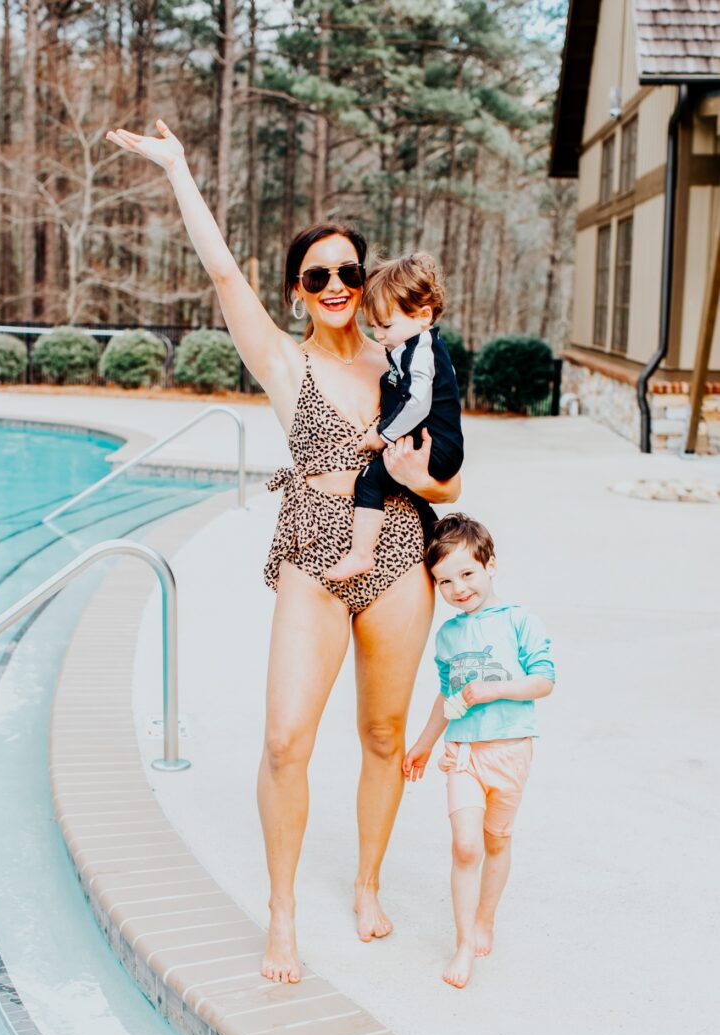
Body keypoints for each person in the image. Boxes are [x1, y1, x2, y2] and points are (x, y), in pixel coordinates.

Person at [107, 120, 461, 984]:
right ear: (298, 291)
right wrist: (178, 168)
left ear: (366, 282)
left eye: (348, 271)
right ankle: (282, 910)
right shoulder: (281, 359)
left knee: (383, 732)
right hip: (313, 549)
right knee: (283, 739)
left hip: (398, 548)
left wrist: (419, 476)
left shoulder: (403, 364)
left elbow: (450, 481)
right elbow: (223, 272)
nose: (335, 285)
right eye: (317, 275)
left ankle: (368, 884)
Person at [402, 514, 555, 988]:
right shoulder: (448, 636)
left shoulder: (519, 621)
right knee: (466, 846)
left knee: (496, 841)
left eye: (467, 573)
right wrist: (424, 744)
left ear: (490, 566)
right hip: (463, 753)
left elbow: (544, 681)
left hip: (510, 751)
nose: (458, 588)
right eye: (445, 581)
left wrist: (495, 689)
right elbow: (446, 697)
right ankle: (464, 942)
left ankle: (486, 917)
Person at [324, 253, 464, 581]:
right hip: (439, 443)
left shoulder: (420, 352)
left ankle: (361, 554)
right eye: (373, 326)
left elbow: (417, 404)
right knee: (409, 495)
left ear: (423, 315)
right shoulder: (419, 346)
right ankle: (443, 545)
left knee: (370, 480)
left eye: (386, 326)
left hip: (436, 447)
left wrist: (382, 435)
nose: (379, 335)